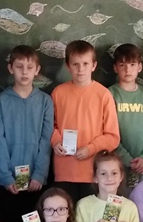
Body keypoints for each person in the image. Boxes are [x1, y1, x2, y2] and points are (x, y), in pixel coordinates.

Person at [0, 45, 54, 222]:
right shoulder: (1, 101)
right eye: (19, 67)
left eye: (29, 67)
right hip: (9, 182)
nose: (24, 72)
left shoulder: (45, 101)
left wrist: (40, 174)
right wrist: (5, 176)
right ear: (11, 68)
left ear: (37, 70)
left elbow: (46, 140)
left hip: (36, 181)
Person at [51, 40, 120, 201]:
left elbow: (112, 136)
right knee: (66, 213)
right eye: (75, 64)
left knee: (90, 215)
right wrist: (55, 141)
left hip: (94, 173)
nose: (80, 69)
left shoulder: (103, 95)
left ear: (94, 65)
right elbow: (49, 125)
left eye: (85, 64)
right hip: (65, 170)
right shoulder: (58, 93)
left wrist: (90, 149)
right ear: (67, 66)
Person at [109, 43, 143, 189]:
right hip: (117, 164)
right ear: (115, 68)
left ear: (140, 67)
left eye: (132, 64)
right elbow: (108, 132)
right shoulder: (109, 94)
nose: (128, 70)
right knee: (119, 201)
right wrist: (127, 160)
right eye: (122, 65)